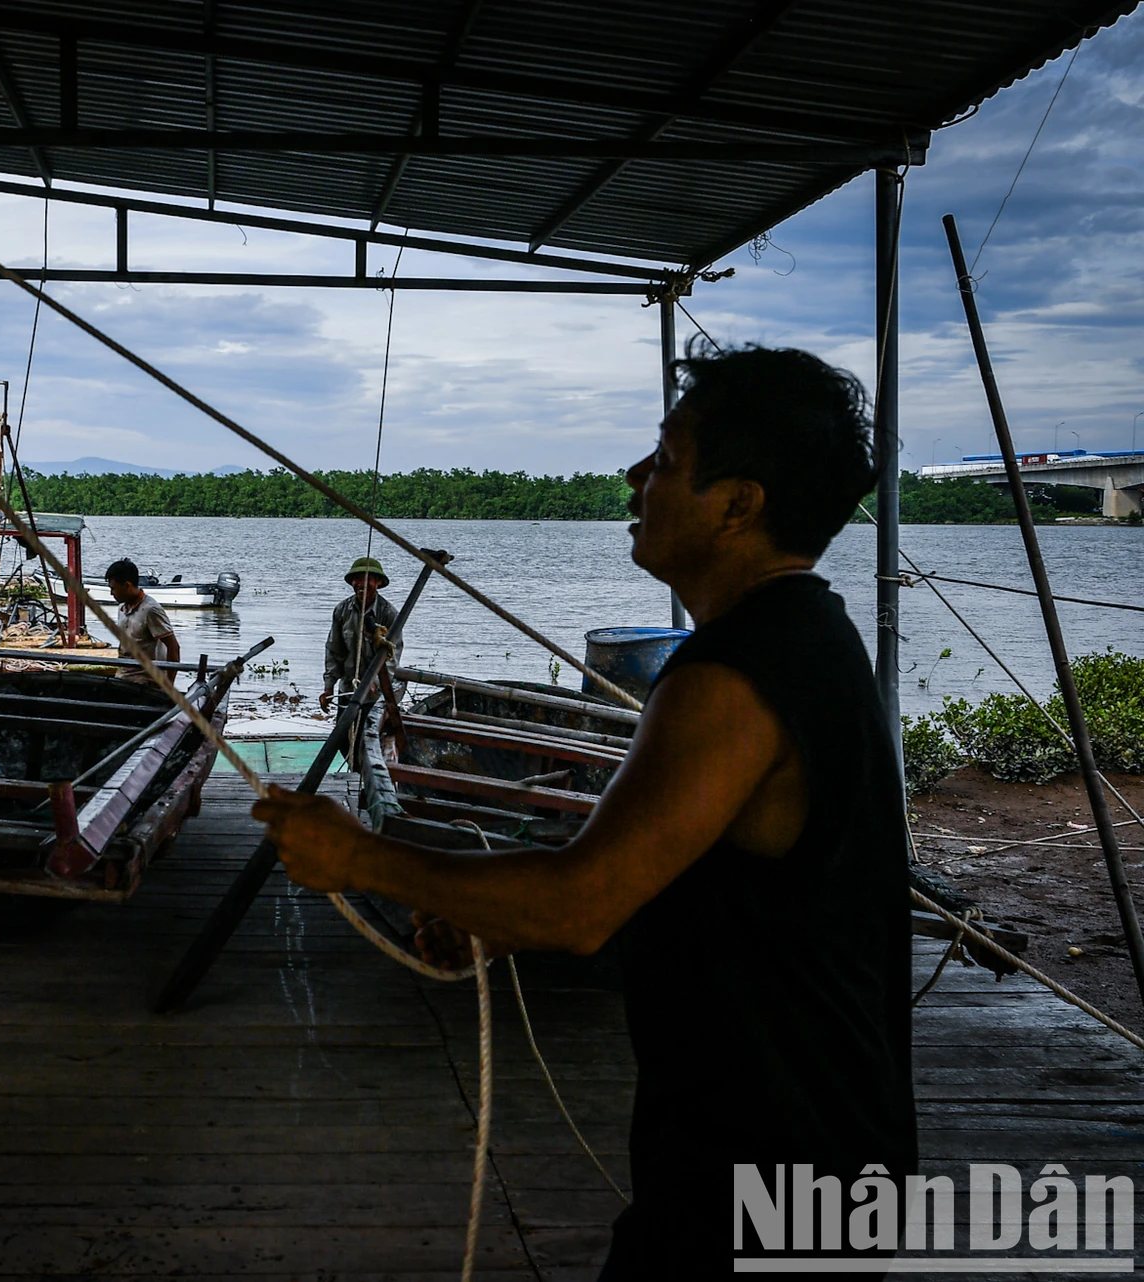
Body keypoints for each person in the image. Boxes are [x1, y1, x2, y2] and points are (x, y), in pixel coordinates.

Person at [254, 345, 912, 1277]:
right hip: (808, 1149)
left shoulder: (731, 677)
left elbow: (579, 901)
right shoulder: (808, 639)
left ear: (738, 503)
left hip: (769, 1163)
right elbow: (707, 896)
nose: (636, 478)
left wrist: (357, 858)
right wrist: (496, 922)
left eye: (668, 459)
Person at [319, 556, 402, 714]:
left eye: (367, 579)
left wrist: (374, 683)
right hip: (348, 691)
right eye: (356, 580)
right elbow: (334, 651)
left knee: (369, 735)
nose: (361, 585)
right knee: (344, 735)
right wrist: (328, 688)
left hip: (375, 697)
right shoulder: (342, 610)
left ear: (378, 582)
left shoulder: (389, 614)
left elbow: (392, 658)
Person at [104, 559, 179, 675]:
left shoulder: (151, 610)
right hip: (123, 676)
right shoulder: (122, 608)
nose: (111, 593)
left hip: (146, 680)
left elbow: (173, 648)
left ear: (127, 585)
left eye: (113, 588)